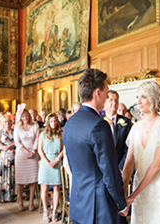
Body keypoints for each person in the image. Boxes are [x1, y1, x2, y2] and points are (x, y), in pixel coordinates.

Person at [62, 69, 128, 223]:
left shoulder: (70, 123)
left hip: (78, 202)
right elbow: (109, 171)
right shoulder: (99, 125)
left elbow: (73, 165)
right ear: (97, 93)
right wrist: (121, 203)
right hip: (99, 207)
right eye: (106, 92)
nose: (106, 97)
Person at [121, 81, 160, 223]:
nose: (138, 101)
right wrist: (123, 196)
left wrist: (133, 195)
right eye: (137, 96)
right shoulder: (135, 128)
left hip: (159, 189)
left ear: (153, 99)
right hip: (138, 191)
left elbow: (157, 165)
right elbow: (128, 164)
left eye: (143, 97)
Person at [37, 114, 64, 223]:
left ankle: (54, 211)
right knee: (44, 188)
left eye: (55, 121)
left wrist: (56, 160)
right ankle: (45, 211)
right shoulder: (42, 134)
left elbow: (64, 149)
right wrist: (47, 162)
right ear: (48, 122)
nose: (53, 123)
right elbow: (40, 150)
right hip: (45, 162)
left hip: (56, 161)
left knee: (56, 188)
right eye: (51, 121)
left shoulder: (61, 134)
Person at [14, 108, 39, 211]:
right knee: (20, 179)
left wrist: (33, 151)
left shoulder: (35, 126)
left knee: (32, 178)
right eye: (23, 116)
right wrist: (26, 151)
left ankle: (31, 201)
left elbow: (37, 139)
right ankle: (20, 200)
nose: (25, 118)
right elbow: (17, 142)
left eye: (26, 115)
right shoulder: (17, 127)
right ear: (20, 117)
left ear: (29, 116)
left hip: (33, 154)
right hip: (21, 155)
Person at [101, 90, 132, 172]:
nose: (114, 103)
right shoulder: (98, 121)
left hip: (120, 168)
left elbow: (128, 147)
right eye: (110, 100)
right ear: (105, 102)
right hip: (102, 169)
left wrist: (121, 167)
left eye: (116, 100)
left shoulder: (126, 122)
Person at [0, 113, 16, 202]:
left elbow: (17, 141)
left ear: (11, 122)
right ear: (3, 122)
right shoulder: (0, 131)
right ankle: (1, 196)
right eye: (5, 122)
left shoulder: (14, 131)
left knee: (11, 175)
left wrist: (12, 146)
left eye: (9, 121)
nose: (7, 123)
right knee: (2, 175)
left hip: (13, 155)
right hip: (2, 155)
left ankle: (11, 196)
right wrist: (5, 148)